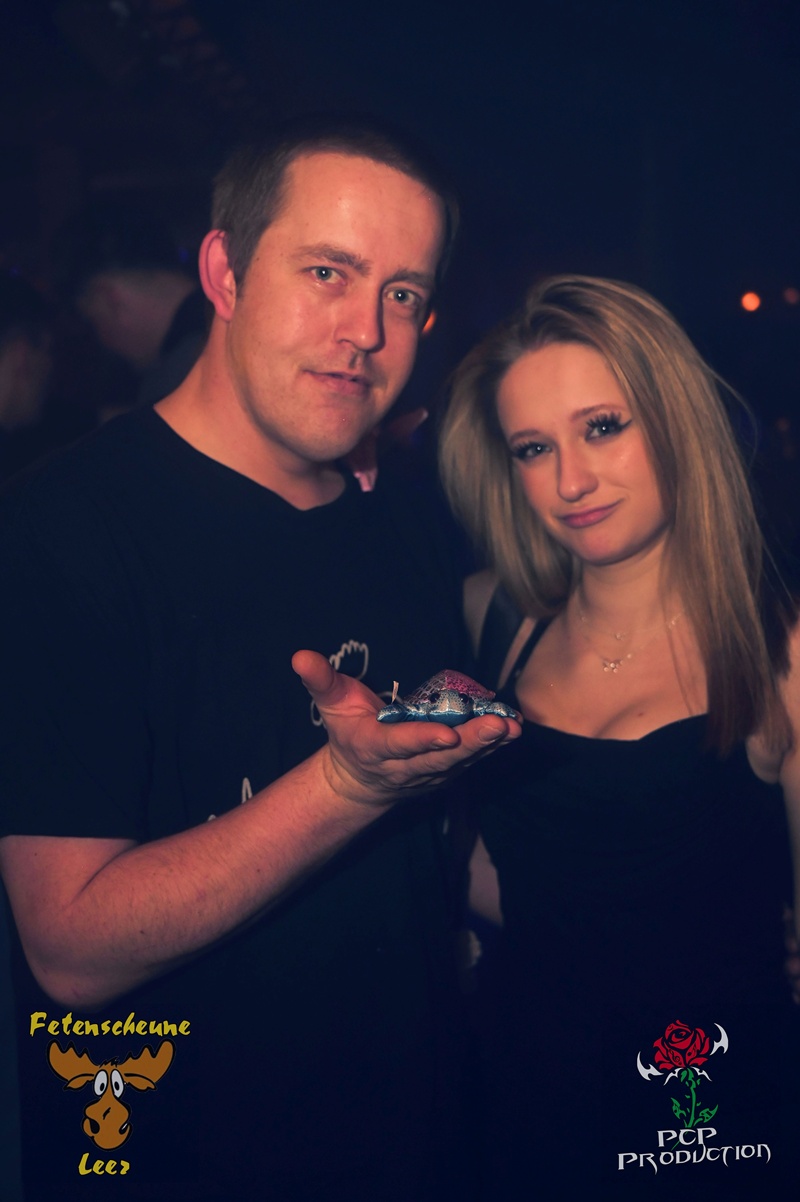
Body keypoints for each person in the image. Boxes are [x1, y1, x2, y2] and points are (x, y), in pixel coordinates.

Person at [0, 116, 520, 1202]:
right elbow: (71, 947)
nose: (365, 332)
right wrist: (344, 785)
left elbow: (440, 853)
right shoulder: (63, 529)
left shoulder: (402, 517)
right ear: (224, 273)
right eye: (328, 272)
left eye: (403, 294)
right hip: (181, 1150)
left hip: (419, 1132)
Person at [439, 274, 800, 1199]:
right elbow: (505, 871)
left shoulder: (779, 654)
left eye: (602, 427)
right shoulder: (493, 621)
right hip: (522, 1093)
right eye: (534, 448)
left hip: (702, 1108)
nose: (570, 482)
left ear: (676, 422)